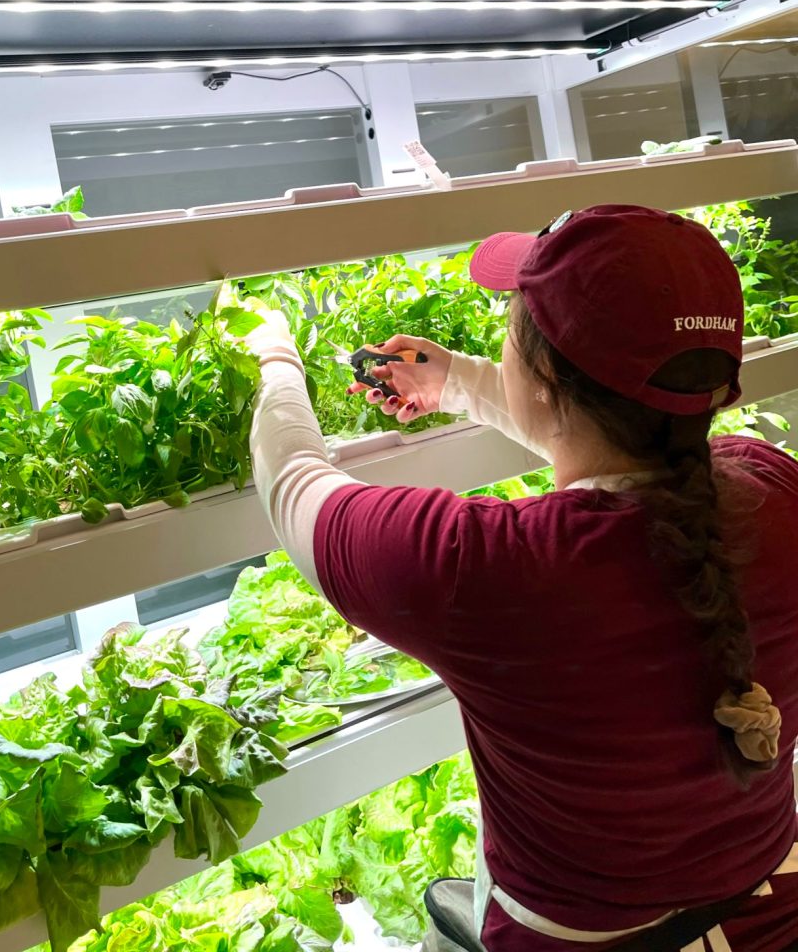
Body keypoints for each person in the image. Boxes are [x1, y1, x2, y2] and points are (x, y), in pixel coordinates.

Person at [247, 204, 798, 952]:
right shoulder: (774, 488)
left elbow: (292, 484)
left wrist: (275, 361)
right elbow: (625, 450)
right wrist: (462, 384)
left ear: (540, 376)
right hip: (770, 907)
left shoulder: (491, 573)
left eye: (511, 319)